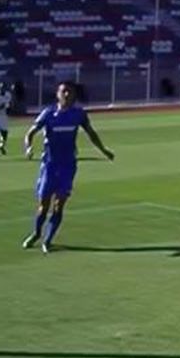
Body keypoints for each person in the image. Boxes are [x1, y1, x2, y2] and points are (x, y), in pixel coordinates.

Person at [21, 82, 115, 254]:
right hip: (49, 164)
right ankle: (36, 233)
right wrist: (28, 147)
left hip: (68, 165)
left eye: (70, 92)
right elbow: (30, 133)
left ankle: (48, 240)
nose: (67, 95)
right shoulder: (48, 114)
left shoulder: (78, 114)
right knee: (43, 204)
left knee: (59, 205)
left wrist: (103, 150)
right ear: (57, 94)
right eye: (63, 91)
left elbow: (91, 133)